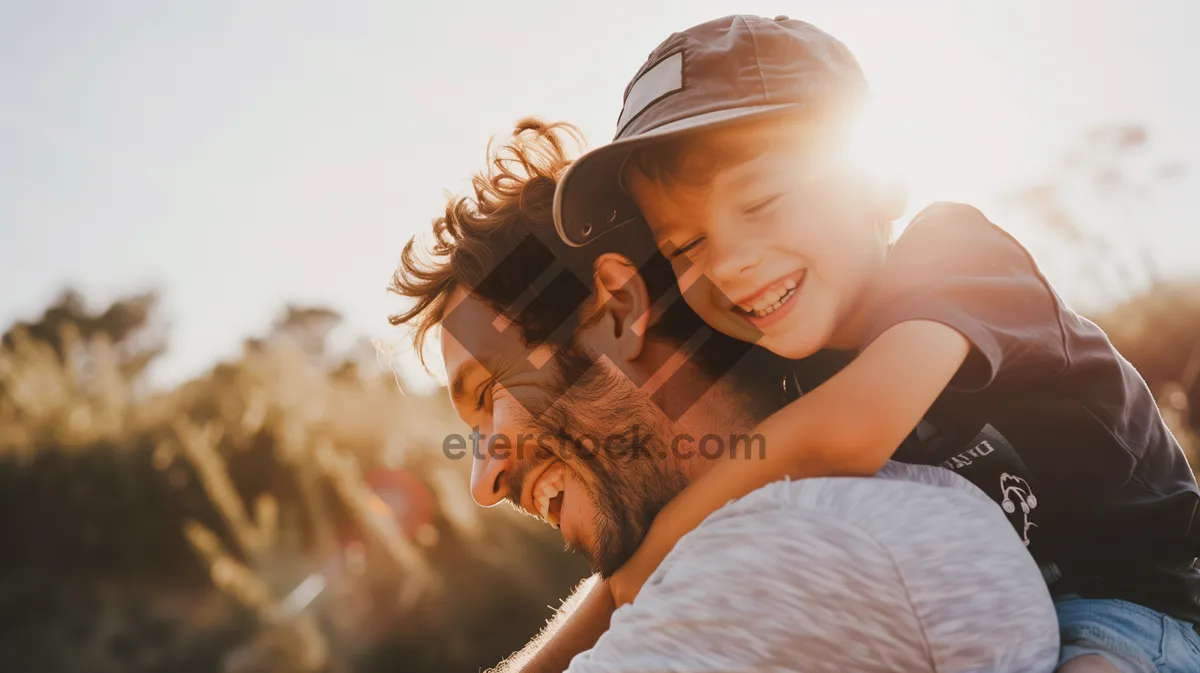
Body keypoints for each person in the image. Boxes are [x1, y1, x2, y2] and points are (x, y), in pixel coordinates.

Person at [551, 14, 1200, 673]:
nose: (728, 263)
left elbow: (847, 432)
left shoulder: (955, 254)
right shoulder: (781, 367)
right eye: (686, 245)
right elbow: (646, 569)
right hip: (984, 623)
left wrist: (665, 543)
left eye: (763, 200)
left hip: (1138, 603)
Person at [389, 119, 1058, 671]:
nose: (484, 480)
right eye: (690, 244)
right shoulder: (840, 502)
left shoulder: (786, 554)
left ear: (619, 310)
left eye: (490, 390)